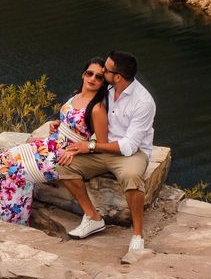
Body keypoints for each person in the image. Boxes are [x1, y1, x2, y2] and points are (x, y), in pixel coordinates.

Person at [0, 58, 109, 234]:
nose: (92, 78)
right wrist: (58, 123)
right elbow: (72, 121)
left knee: (11, 170)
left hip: (61, 156)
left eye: (99, 77)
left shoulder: (97, 108)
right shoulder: (77, 95)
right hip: (48, 145)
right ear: (83, 74)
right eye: (89, 73)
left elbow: (102, 144)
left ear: (103, 83)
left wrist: (83, 147)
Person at [55, 49, 155, 255]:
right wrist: (61, 123)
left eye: (105, 70)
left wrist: (90, 147)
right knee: (65, 163)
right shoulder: (107, 89)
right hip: (101, 147)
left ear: (117, 77)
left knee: (132, 176)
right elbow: (83, 108)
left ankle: (137, 235)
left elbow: (128, 146)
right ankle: (93, 218)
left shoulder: (143, 102)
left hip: (131, 153)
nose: (101, 72)